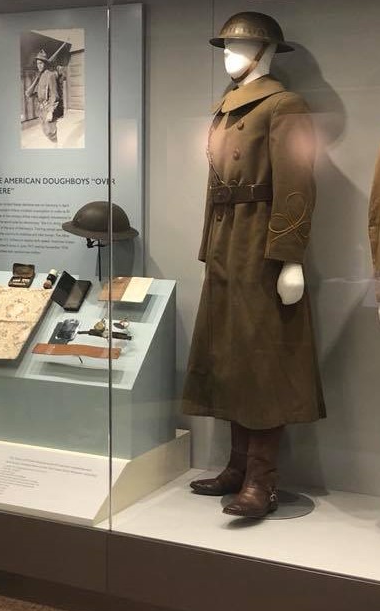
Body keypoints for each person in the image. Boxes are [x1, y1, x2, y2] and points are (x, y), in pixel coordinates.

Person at [182, 12, 325, 518]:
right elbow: (215, 185)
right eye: (224, 46)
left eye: (239, 45)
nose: (228, 54)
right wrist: (208, 247)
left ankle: (262, 481)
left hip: (261, 245)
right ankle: (237, 466)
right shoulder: (225, 107)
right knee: (230, 356)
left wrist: (290, 259)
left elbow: (297, 185)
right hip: (227, 245)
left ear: (265, 51)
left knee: (262, 360)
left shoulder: (285, 105)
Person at [26, 49, 61, 143]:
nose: (39, 66)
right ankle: (53, 144)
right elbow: (29, 93)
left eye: (41, 63)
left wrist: (50, 111)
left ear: (46, 64)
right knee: (45, 131)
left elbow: (54, 95)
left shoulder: (51, 75)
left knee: (51, 132)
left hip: (48, 107)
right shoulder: (40, 76)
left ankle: (56, 146)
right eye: (38, 64)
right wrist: (36, 80)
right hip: (41, 109)